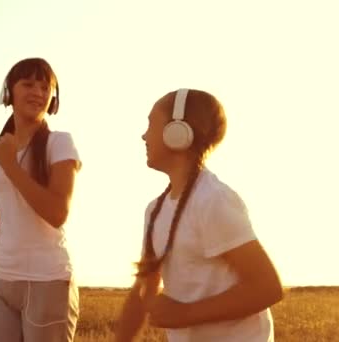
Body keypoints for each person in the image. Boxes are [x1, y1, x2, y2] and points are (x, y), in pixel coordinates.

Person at [115, 88, 284, 342]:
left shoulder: (213, 201)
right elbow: (143, 289)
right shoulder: (155, 210)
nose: (143, 135)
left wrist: (186, 313)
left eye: (151, 124)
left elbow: (267, 287)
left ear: (177, 132)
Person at [0, 57, 81, 342]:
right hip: (1, 276)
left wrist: (10, 165)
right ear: (8, 93)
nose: (38, 92)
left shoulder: (60, 143)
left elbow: (57, 212)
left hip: (47, 281)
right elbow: (17, 203)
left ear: (53, 99)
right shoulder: (0, 149)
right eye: (28, 84)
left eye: (45, 87)